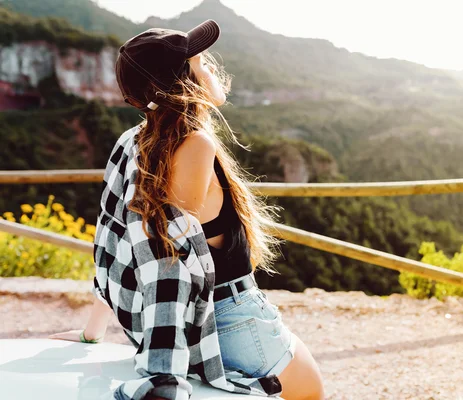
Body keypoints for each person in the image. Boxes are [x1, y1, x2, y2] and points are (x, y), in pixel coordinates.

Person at [48, 19, 325, 400]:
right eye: (200, 61)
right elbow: (170, 260)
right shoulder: (195, 145)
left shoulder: (135, 143)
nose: (210, 65)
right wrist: (164, 374)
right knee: (312, 394)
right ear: (182, 83)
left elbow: (118, 241)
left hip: (198, 319)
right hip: (229, 316)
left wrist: (93, 331)